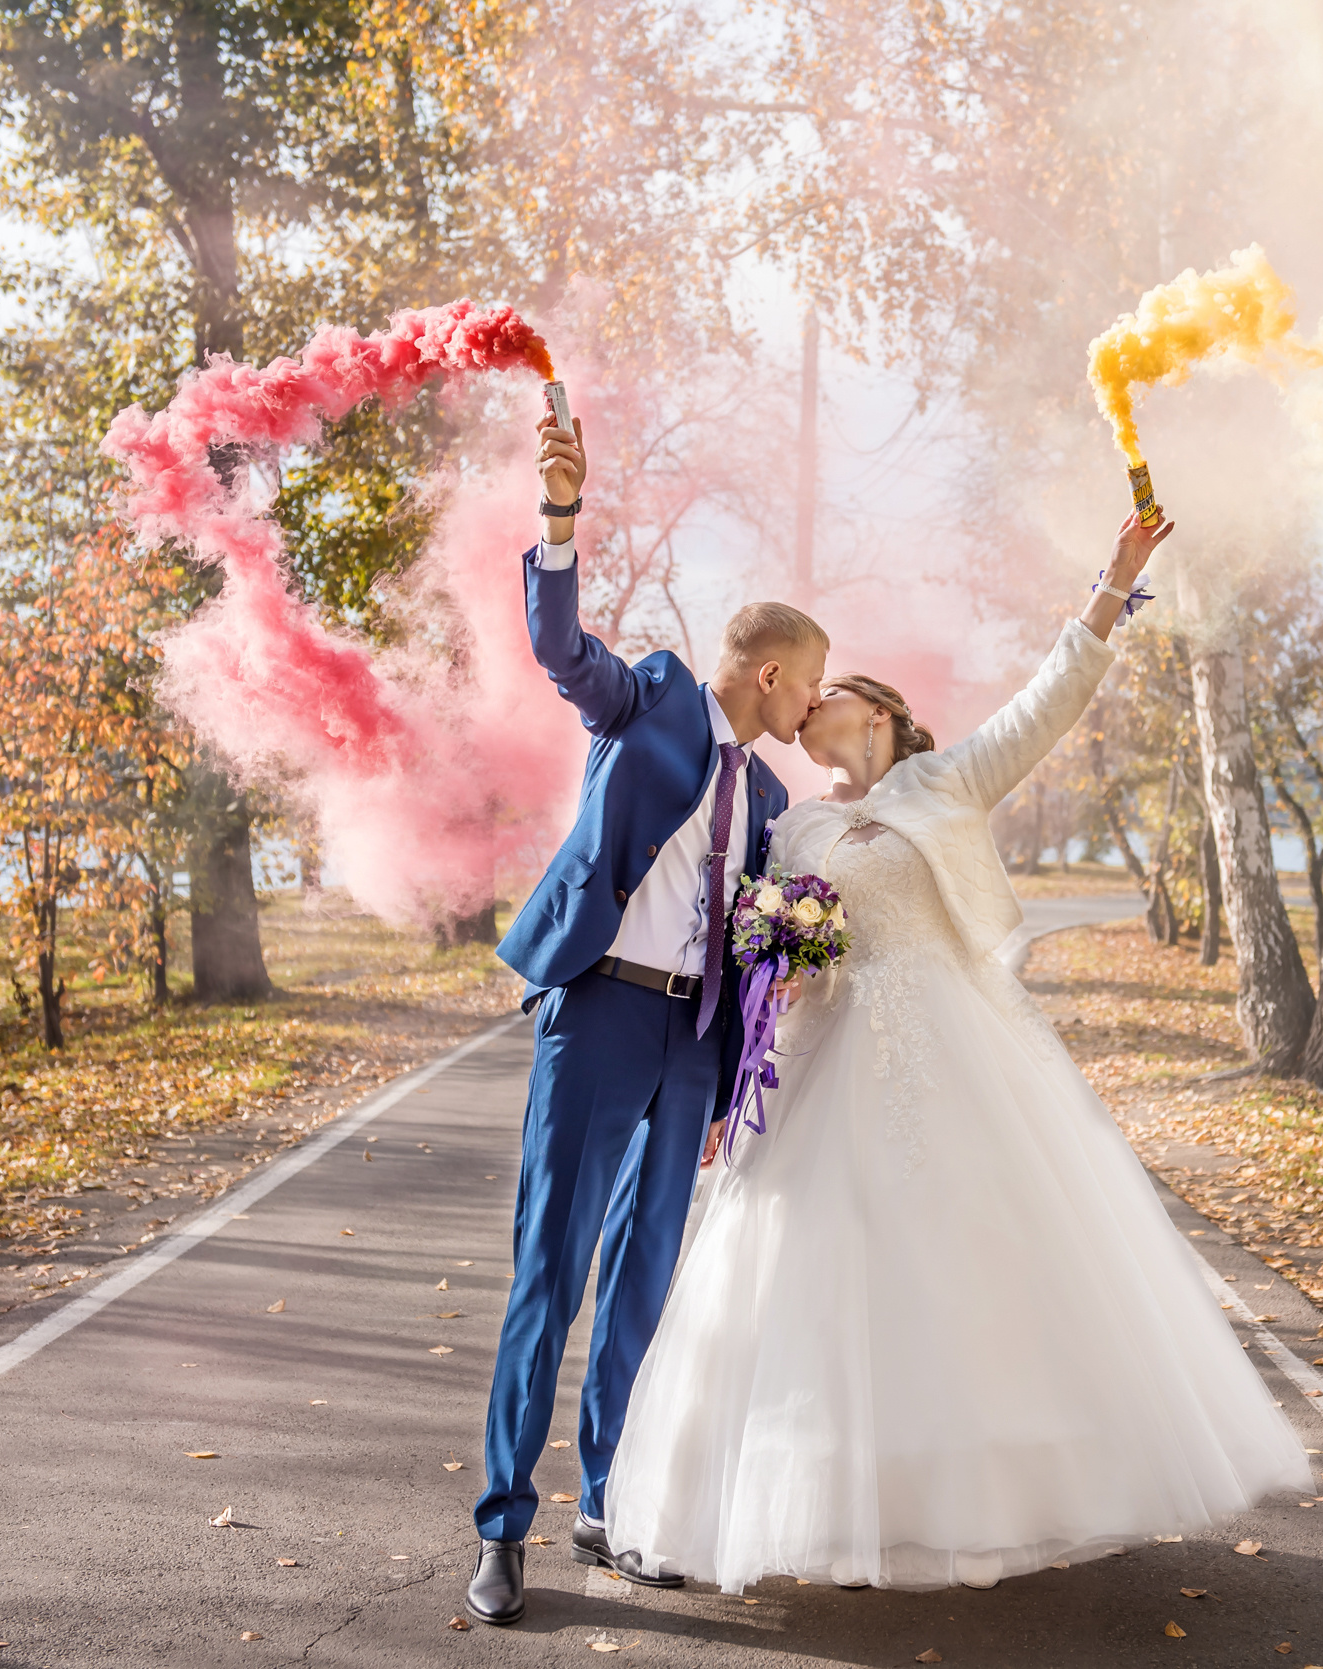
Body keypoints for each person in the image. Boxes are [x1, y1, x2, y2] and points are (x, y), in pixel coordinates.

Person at [604, 506, 1313, 1594]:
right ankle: (833, 1502)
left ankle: (986, 1497)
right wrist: (770, 978)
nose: (812, 702)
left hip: (956, 1050)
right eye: (805, 690)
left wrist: (1111, 586)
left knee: (970, 1265)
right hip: (824, 1064)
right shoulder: (791, 828)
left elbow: (1048, 703)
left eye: (833, 689)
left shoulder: (945, 784)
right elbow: (758, 949)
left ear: (881, 712)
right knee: (819, 1274)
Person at [465, 406, 827, 1626]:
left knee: (642, 1284)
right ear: (768, 672)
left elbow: (751, 938)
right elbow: (563, 649)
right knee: (551, 1274)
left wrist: (734, 1066)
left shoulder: (767, 795)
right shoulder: (658, 697)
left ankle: (608, 1505)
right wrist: (560, 516)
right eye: (808, 683)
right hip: (600, 1016)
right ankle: (501, 1524)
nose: (812, 704)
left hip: (689, 1047)